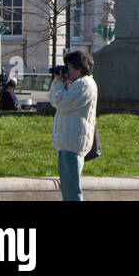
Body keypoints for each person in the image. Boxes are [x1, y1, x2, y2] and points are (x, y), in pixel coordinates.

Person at [49, 50, 98, 202]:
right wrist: (61, 83)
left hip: (72, 144)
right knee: (68, 190)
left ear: (79, 67)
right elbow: (55, 100)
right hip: (67, 144)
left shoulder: (84, 84)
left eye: (68, 66)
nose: (66, 70)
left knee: (71, 193)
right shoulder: (77, 84)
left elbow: (61, 103)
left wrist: (58, 83)